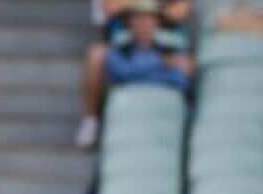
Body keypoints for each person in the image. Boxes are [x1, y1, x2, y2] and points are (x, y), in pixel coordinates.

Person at [76, 0, 191, 148]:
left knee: (185, 68)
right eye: (139, 16)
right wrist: (152, 6)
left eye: (148, 17)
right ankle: (91, 121)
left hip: (165, 45)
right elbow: (109, 7)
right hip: (125, 46)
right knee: (96, 56)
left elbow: (180, 11)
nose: (144, 21)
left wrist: (139, 6)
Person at [105, 1, 193, 91]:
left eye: (149, 17)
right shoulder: (120, 45)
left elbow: (180, 80)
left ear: (157, 22)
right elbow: (120, 73)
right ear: (129, 22)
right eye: (137, 17)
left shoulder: (171, 45)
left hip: (164, 98)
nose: (143, 22)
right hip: (127, 99)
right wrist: (162, 62)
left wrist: (139, 71)